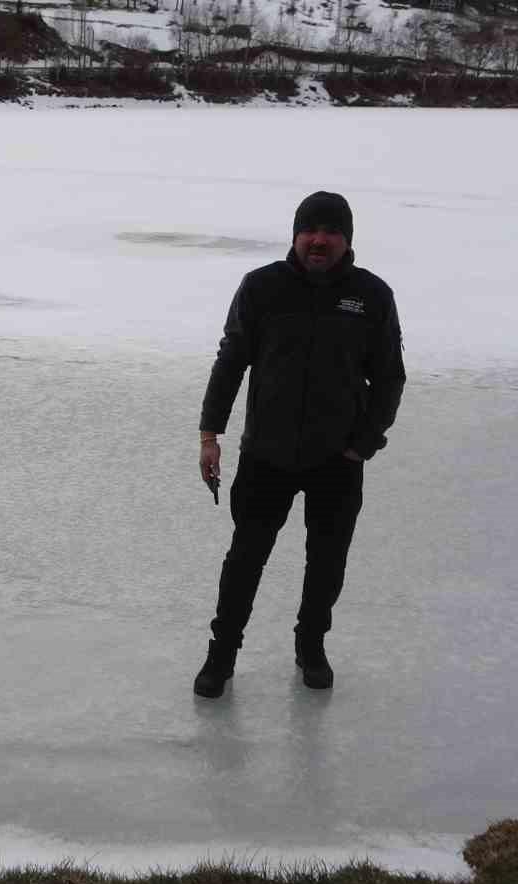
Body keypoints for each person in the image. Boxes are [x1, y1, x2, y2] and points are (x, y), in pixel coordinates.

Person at [194, 191, 405, 699]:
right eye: (310, 230)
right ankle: (221, 656)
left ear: (346, 240)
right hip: (267, 453)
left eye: (331, 231)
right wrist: (210, 434)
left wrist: (363, 444)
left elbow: (390, 379)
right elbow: (230, 362)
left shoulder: (371, 295)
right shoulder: (262, 287)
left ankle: (311, 646)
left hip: (337, 459)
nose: (319, 240)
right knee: (245, 558)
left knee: (327, 561)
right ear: (295, 235)